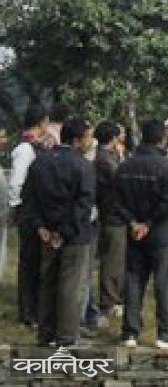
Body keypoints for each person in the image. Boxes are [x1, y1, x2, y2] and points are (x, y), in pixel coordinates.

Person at [22, 116, 96, 348]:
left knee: (48, 284)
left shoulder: (40, 162)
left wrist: (41, 227)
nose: (90, 142)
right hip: (74, 235)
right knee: (70, 287)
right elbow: (83, 205)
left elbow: (29, 198)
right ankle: (66, 337)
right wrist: (63, 231)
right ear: (77, 140)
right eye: (88, 137)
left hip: (46, 232)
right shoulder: (82, 166)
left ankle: (45, 334)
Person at [114, 119, 168, 349]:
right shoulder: (167, 166)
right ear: (161, 138)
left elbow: (117, 201)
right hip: (160, 231)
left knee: (133, 280)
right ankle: (165, 334)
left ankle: (129, 332)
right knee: (163, 282)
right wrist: (149, 223)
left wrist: (134, 222)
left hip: (134, 232)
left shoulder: (126, 166)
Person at [9, 103, 50, 327]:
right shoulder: (25, 150)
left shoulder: (36, 147)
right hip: (28, 211)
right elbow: (17, 182)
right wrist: (17, 206)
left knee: (35, 262)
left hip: (35, 209)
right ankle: (27, 311)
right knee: (29, 263)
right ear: (41, 122)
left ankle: (34, 307)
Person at [94, 121, 127, 319]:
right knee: (111, 259)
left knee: (118, 258)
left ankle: (116, 296)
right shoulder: (105, 159)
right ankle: (109, 300)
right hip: (111, 213)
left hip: (115, 213)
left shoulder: (110, 156)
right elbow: (119, 179)